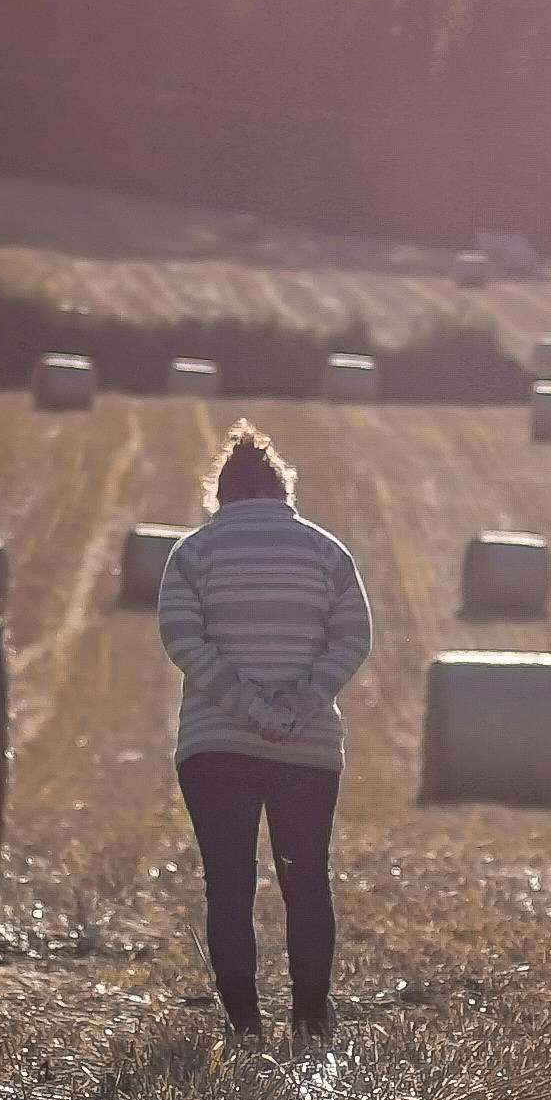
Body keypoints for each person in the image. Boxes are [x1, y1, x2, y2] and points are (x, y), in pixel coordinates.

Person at [155, 422, 372, 1039]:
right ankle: (310, 1021)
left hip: (214, 744)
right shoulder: (327, 552)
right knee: (307, 880)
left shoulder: (193, 552)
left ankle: (245, 1026)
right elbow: (354, 637)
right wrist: (301, 701)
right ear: (284, 490)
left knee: (228, 883)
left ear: (221, 493)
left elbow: (180, 638)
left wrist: (244, 704)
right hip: (308, 746)